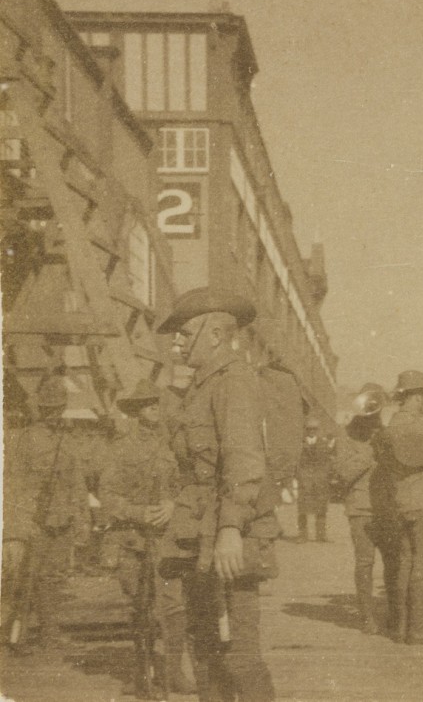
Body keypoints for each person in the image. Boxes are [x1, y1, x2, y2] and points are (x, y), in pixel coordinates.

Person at [156, 286, 277, 701]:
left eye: (185, 334)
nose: (176, 342)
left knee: (239, 654)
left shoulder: (235, 380)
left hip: (230, 534)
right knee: (206, 649)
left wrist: (230, 529)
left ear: (214, 333)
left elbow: (244, 460)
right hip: (197, 531)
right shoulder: (200, 387)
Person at [99, 379, 196, 695]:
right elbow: (108, 494)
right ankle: (141, 674)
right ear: (136, 410)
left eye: (156, 401)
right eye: (146, 403)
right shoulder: (121, 447)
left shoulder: (174, 444)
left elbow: (190, 484)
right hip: (133, 541)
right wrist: (137, 513)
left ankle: (172, 672)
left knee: (174, 605)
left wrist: (173, 504)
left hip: (168, 541)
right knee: (140, 607)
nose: (154, 406)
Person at [2, 372, 87, 654]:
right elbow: (15, 482)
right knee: (25, 579)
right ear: (40, 409)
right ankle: (15, 636)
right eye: (49, 409)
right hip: (35, 521)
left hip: (61, 519)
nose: (53, 413)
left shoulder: (68, 439)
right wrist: (22, 524)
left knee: (51, 578)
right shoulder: (28, 439)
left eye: (58, 408)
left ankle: (50, 634)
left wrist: (80, 516)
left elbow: (77, 481)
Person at [371, 370, 423, 645]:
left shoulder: (391, 424)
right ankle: (418, 628)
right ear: (417, 396)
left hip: (400, 501)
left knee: (404, 562)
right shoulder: (421, 426)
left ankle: (400, 625)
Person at [333, 383, 386, 634]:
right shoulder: (346, 435)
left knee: (394, 561)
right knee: (365, 563)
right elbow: (343, 472)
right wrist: (370, 452)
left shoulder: (384, 432)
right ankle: (367, 616)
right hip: (361, 507)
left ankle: (395, 612)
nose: (374, 417)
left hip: (388, 507)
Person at [295, 417, 334, 543]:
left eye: (314, 429)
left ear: (318, 430)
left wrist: (324, 475)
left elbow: (327, 462)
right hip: (304, 480)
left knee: (321, 508)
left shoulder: (323, 443)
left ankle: (321, 535)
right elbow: (296, 462)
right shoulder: (299, 444)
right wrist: (300, 476)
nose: (311, 431)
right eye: (309, 429)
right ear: (305, 430)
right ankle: (302, 535)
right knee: (302, 509)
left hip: (320, 480)